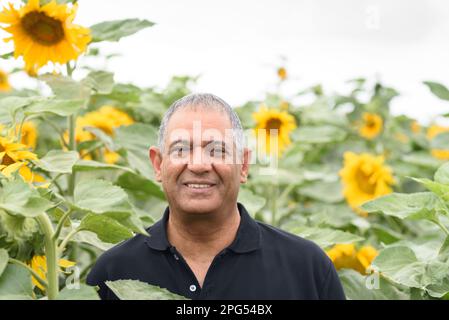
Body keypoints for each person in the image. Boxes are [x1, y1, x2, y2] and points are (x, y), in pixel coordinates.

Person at [86, 93, 346, 300]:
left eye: (217, 150)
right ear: (157, 165)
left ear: (243, 166)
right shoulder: (114, 272)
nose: (199, 165)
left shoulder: (306, 268)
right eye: (181, 149)